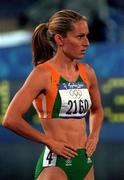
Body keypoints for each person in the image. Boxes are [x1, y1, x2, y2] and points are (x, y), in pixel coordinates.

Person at [2, 9, 103, 180]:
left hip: (85, 161)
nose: (86, 43)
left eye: (87, 36)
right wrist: (49, 141)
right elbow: (10, 119)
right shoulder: (42, 74)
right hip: (57, 163)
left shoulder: (87, 72)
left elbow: (97, 110)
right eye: (80, 37)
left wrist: (94, 136)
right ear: (59, 39)